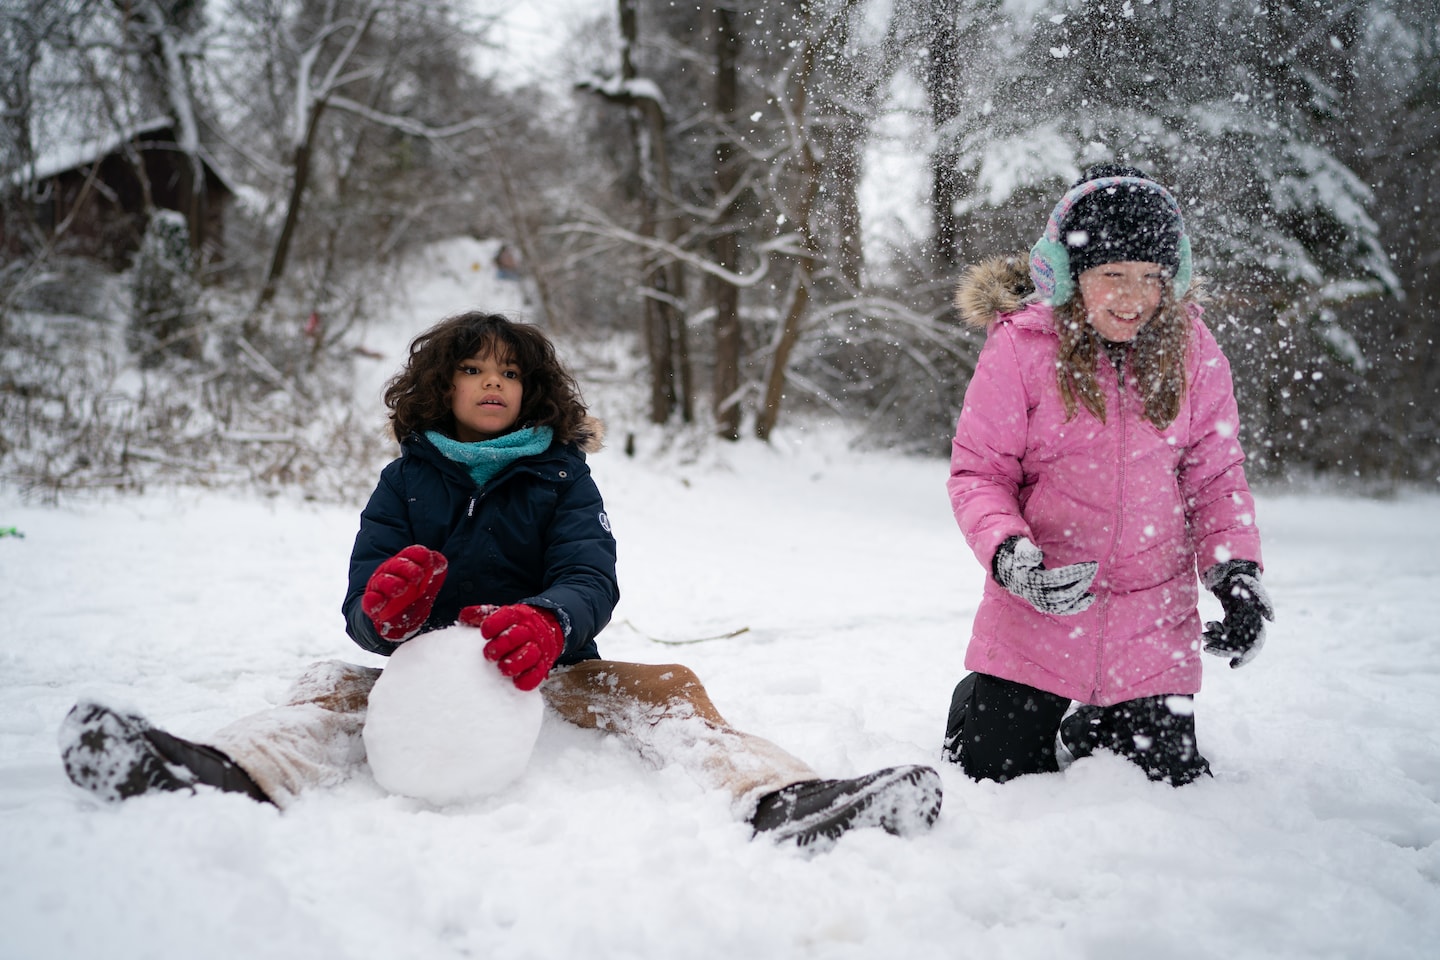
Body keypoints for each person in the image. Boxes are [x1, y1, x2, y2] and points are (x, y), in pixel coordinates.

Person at [60, 311, 942, 848]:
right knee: (325, 685)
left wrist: (553, 620)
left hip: (548, 670)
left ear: (533, 391)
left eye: (510, 373)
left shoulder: (562, 476)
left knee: (671, 688)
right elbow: (361, 603)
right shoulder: (404, 482)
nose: (494, 383)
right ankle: (216, 772)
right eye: (474, 369)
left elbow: (591, 573)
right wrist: (384, 616)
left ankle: (784, 799)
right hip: (423, 678)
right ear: (439, 388)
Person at [940, 164, 1274, 787]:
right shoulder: (1020, 348)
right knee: (993, 775)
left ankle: (1097, 722)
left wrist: (1235, 576)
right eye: (1113, 275)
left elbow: (1216, 479)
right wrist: (1010, 556)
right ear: (1070, 275)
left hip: (1151, 620)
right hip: (1040, 607)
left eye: (1151, 277)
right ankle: (978, 705)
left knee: (1168, 782)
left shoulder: (1195, 352)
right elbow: (980, 474)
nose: (1133, 297)